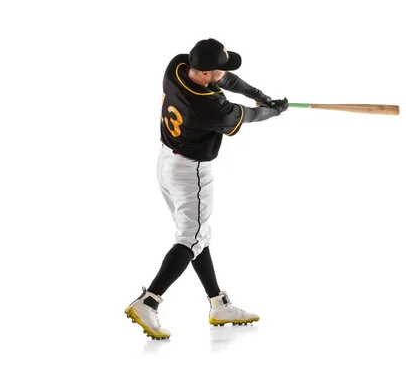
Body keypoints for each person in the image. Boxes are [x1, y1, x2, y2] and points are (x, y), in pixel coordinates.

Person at [124, 38, 289, 339]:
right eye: (216, 71)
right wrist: (272, 111)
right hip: (190, 173)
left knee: (197, 234)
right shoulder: (210, 107)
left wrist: (261, 96)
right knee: (190, 237)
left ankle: (218, 303)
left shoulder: (177, 66)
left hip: (165, 163)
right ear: (203, 73)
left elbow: (230, 80)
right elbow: (247, 115)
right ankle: (149, 301)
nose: (221, 75)